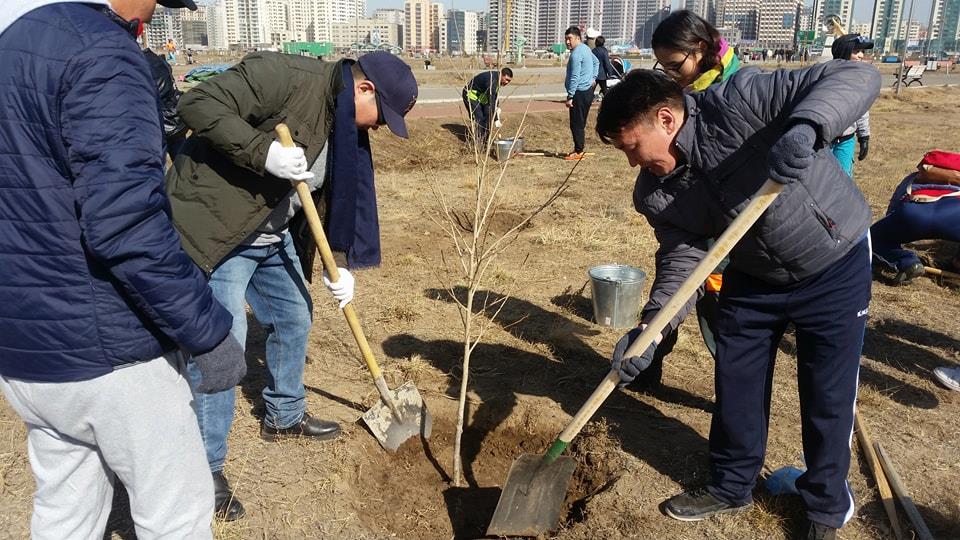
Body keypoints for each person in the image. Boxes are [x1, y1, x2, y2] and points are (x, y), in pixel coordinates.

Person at [597, 61, 880, 539]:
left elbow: (858, 76)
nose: (632, 163)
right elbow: (683, 264)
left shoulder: (740, 99)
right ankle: (731, 485)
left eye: (633, 148)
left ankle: (825, 510)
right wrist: (651, 334)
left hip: (834, 260)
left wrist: (806, 128)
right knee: (736, 382)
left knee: (827, 394)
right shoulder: (656, 192)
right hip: (752, 274)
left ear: (666, 119)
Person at [0, 0, 246, 538]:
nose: (157, 11)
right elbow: (125, 223)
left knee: (67, 508)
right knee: (174, 514)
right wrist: (206, 332)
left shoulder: (16, 41)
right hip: (108, 351)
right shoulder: (106, 54)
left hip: (27, 346)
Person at [166, 50, 418, 521]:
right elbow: (196, 105)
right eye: (382, 117)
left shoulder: (344, 125)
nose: (380, 128)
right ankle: (203, 468)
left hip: (271, 233)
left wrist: (337, 265)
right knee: (223, 347)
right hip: (222, 232)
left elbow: (330, 195)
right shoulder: (282, 77)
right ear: (364, 89)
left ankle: (283, 415)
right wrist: (265, 153)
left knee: (294, 315)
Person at [630, 9, 742, 390]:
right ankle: (648, 357)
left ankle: (731, 384)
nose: (672, 75)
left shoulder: (733, 88)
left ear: (700, 48)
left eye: (675, 65)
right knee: (674, 281)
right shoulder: (686, 90)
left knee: (717, 302)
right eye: (664, 69)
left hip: (728, 216)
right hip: (688, 210)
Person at [871, 151, 960, 284]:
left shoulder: (912, 178)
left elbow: (893, 210)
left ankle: (908, 262)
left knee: (872, 238)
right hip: (954, 214)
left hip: (913, 213)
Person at [651, 9, 740, 91]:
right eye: (664, 68)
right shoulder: (693, 88)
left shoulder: (730, 91)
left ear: (702, 48)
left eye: (675, 66)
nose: (670, 75)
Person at [830, 34, 873, 176]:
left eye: (862, 52)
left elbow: (862, 110)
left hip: (846, 140)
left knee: (843, 180)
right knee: (817, 180)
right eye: (856, 51)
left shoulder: (860, 81)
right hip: (823, 141)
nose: (861, 55)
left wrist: (864, 136)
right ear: (843, 52)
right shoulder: (826, 77)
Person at [143, 47, 188, 160]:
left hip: (162, 123)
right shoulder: (157, 59)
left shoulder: (141, 63)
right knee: (182, 161)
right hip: (175, 118)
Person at [563, 26, 599, 161]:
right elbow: (596, 62)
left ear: (578, 38)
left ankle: (578, 151)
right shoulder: (586, 49)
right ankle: (579, 148)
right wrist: (593, 78)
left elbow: (574, 76)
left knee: (576, 123)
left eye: (570, 39)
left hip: (579, 93)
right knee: (580, 122)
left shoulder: (577, 53)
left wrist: (570, 96)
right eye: (566, 39)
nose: (567, 42)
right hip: (588, 92)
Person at [462, 67, 513, 146]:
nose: (507, 82)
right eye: (506, 79)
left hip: (481, 96)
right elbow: (491, 99)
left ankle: (486, 141)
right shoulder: (492, 81)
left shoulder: (497, 80)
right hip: (471, 95)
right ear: (501, 75)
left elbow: (494, 96)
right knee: (479, 119)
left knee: (488, 116)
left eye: (509, 81)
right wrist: (496, 118)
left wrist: (497, 107)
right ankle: (478, 144)